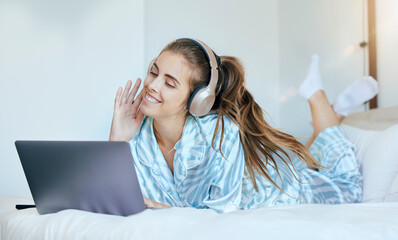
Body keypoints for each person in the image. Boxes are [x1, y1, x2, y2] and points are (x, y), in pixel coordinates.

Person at [109, 38, 378, 213]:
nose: (151, 86)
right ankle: (337, 112)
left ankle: (317, 97)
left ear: (198, 101)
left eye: (169, 83)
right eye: (153, 72)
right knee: (307, 158)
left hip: (276, 190)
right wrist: (117, 142)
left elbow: (224, 215)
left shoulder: (219, 133)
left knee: (349, 188)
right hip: (260, 169)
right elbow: (111, 200)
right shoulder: (138, 134)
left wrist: (170, 212)